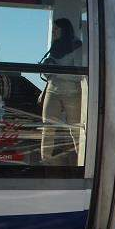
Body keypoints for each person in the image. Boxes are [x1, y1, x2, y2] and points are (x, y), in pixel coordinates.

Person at [40, 18, 84, 166]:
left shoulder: (77, 46)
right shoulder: (55, 46)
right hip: (53, 89)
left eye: (56, 29)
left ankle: (81, 162)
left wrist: (57, 71)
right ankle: (45, 162)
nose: (53, 32)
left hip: (71, 93)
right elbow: (50, 73)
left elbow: (79, 74)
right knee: (47, 128)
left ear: (64, 30)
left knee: (75, 130)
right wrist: (48, 68)